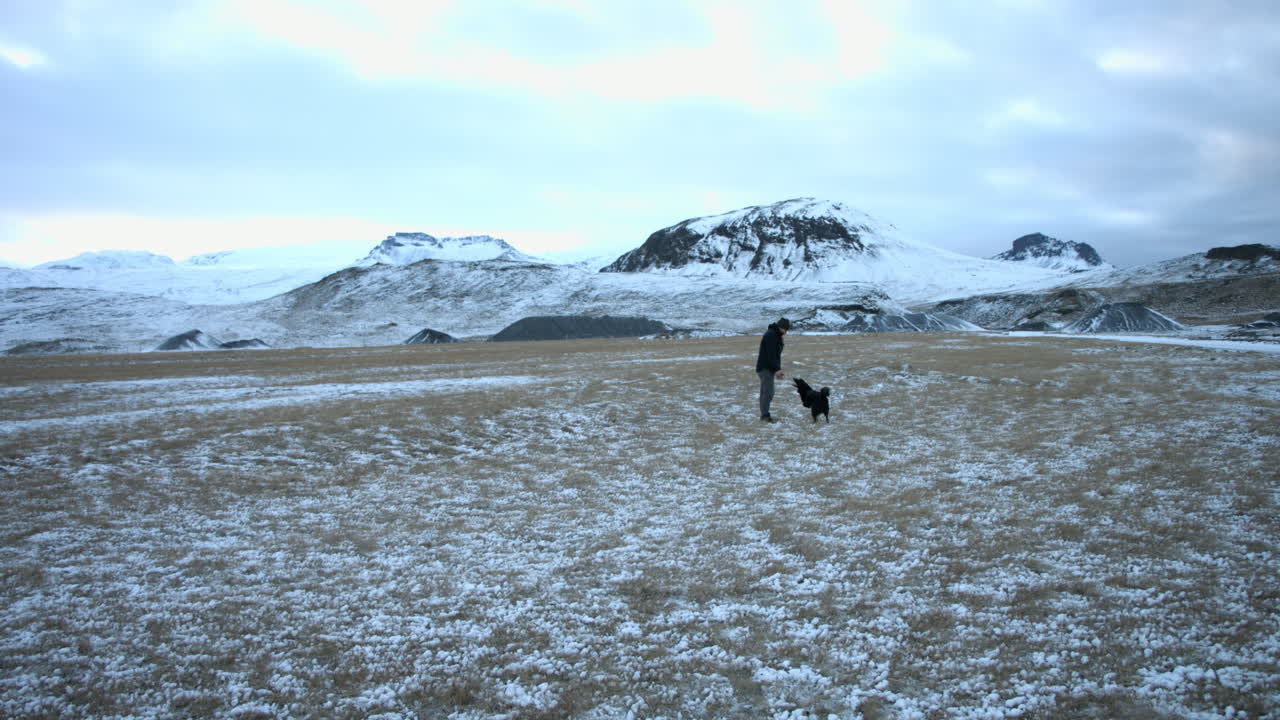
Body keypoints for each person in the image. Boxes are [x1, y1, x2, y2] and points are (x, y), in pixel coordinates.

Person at [755, 317, 790, 422]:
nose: (786, 332)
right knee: (768, 393)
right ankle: (765, 416)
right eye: (785, 330)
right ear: (781, 327)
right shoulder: (771, 335)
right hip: (766, 368)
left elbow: (776, 354)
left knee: (765, 392)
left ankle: (764, 414)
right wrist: (777, 370)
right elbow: (771, 356)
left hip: (766, 368)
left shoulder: (774, 335)